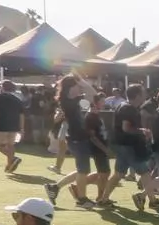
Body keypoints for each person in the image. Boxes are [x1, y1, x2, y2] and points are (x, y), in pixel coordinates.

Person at [45, 75, 112, 209]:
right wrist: (81, 81)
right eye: (77, 86)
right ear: (70, 87)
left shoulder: (71, 100)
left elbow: (93, 94)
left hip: (79, 139)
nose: (79, 88)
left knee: (82, 170)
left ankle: (55, 187)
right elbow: (92, 94)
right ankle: (81, 200)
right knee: (83, 170)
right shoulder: (68, 101)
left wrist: (80, 81)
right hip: (77, 139)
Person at [0, 80, 27, 174]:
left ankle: (13, 159)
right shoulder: (18, 99)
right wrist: (22, 128)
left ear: (2, 87)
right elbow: (21, 115)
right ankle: (10, 165)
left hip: (1, 124)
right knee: (10, 145)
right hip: (14, 125)